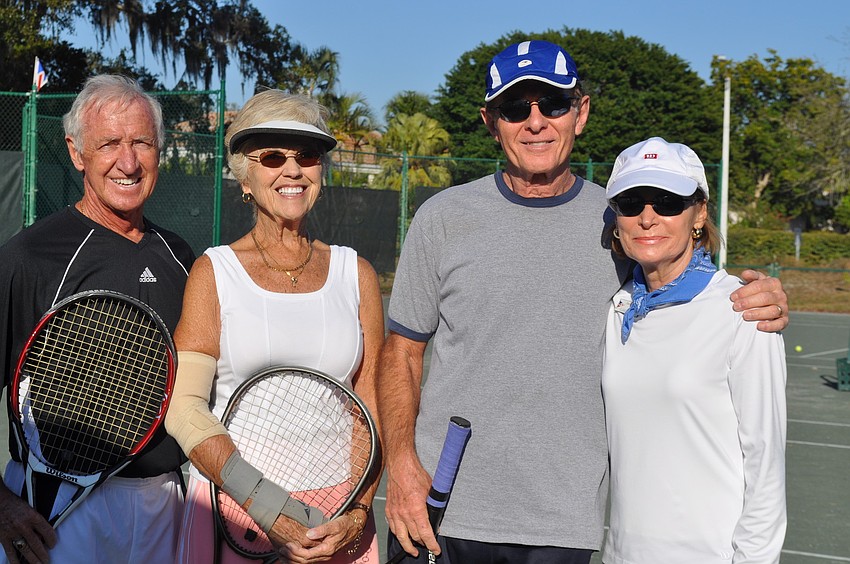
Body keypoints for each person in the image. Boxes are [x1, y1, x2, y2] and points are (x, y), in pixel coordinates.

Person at [378, 39, 790, 564]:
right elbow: (402, 352)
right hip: (440, 514)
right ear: (491, 122)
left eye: (553, 104)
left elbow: (681, 276)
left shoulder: (618, 220)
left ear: (581, 112)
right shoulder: (441, 217)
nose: (536, 122)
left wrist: (761, 296)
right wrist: (402, 466)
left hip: (563, 527)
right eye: (515, 108)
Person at [163, 90, 384, 564]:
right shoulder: (213, 272)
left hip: (339, 516)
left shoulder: (357, 274)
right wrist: (269, 510)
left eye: (307, 155)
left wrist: (357, 513)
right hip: (238, 512)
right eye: (272, 157)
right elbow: (183, 408)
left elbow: (369, 406)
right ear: (244, 176)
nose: (293, 170)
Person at [0, 75, 195, 563]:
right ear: (77, 152)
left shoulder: (181, 256)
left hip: (166, 505)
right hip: (52, 512)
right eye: (109, 143)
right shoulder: (30, 256)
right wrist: (0, 505)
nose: (128, 163)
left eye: (142, 143)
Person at [602, 137, 786, 562]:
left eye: (668, 202)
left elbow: (766, 465)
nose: (647, 217)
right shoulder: (617, 306)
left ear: (699, 212)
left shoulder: (743, 310)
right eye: (631, 203)